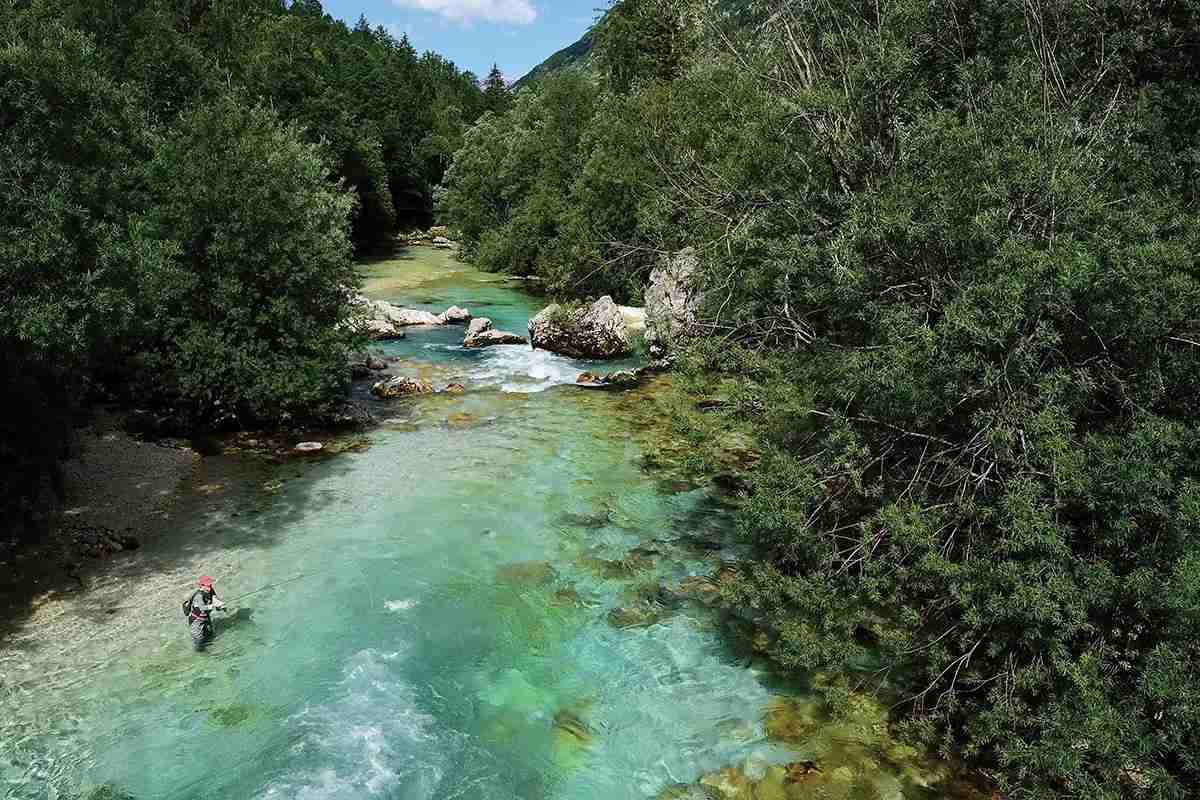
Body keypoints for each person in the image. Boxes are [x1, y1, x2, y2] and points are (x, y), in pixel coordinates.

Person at [187, 575, 226, 651]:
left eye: (210, 585)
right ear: (201, 586)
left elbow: (214, 599)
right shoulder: (198, 596)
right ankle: (200, 654)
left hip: (206, 618)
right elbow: (202, 608)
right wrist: (213, 606)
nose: (210, 588)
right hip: (196, 621)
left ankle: (211, 649)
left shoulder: (210, 590)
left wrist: (221, 606)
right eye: (207, 586)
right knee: (199, 640)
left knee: (209, 635)